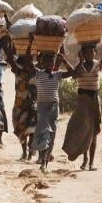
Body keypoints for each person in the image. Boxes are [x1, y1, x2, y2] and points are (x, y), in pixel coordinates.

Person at [62, 22, 102, 170]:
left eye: (92, 52)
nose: (90, 54)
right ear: (83, 53)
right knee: (82, 130)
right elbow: (74, 76)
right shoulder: (81, 66)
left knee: (93, 133)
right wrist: (80, 61)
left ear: (95, 53)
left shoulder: (98, 64)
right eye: (87, 52)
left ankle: (90, 163)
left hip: (94, 101)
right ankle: (84, 159)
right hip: (82, 101)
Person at [23, 40, 74, 171]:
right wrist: (30, 44)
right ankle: (42, 158)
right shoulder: (39, 73)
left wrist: (63, 60)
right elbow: (28, 61)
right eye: (48, 62)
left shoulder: (57, 75)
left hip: (54, 107)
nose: (50, 64)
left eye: (52, 62)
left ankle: (45, 161)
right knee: (44, 131)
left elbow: (73, 73)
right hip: (42, 107)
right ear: (43, 63)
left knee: (52, 133)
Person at [5, 39, 38, 161]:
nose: (26, 64)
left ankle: (29, 153)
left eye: (28, 62)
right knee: (22, 129)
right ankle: (25, 153)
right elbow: (10, 58)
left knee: (32, 129)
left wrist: (30, 44)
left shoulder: (35, 72)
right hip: (19, 105)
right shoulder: (18, 72)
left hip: (32, 105)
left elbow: (28, 58)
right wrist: (10, 41)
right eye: (24, 62)